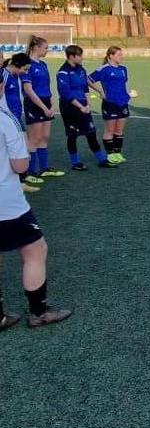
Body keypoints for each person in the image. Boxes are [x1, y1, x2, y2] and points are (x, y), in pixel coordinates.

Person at [0, 74, 72, 331]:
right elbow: (20, 165)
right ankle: (39, 312)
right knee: (35, 250)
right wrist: (25, 149)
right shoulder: (5, 119)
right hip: (6, 201)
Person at [56, 46, 115, 171]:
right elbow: (65, 93)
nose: (82, 58)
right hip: (70, 107)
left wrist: (88, 104)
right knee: (72, 135)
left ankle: (101, 159)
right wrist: (80, 106)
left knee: (91, 133)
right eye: (80, 55)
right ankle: (75, 162)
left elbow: (85, 88)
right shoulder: (63, 72)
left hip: (84, 105)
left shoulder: (81, 69)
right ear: (72, 57)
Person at [22, 35, 64, 179]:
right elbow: (28, 89)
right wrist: (43, 107)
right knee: (34, 138)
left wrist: (51, 104)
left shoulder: (43, 65)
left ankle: (44, 168)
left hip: (46, 102)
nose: (47, 50)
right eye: (45, 48)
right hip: (33, 103)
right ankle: (31, 171)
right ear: (37, 48)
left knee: (45, 137)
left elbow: (46, 86)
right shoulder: (27, 64)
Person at [88, 46, 133, 164]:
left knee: (119, 130)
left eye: (121, 54)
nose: (121, 57)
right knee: (110, 130)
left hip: (123, 103)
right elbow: (88, 79)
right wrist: (100, 91)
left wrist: (128, 94)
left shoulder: (124, 68)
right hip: (110, 104)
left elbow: (124, 84)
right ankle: (110, 154)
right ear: (110, 56)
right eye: (118, 55)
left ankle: (118, 153)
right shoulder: (104, 69)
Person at [2, 53, 38, 193]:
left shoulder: (16, 76)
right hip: (9, 119)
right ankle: (16, 181)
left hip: (16, 117)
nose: (26, 72)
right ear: (16, 65)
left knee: (23, 148)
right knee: (14, 149)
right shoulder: (4, 75)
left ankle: (21, 180)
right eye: (25, 69)